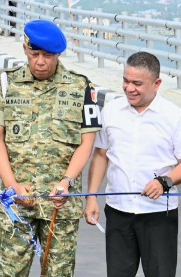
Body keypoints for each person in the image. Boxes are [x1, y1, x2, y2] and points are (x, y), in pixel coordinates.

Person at [0, 19, 102, 277]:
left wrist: (67, 181)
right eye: (34, 54)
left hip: (60, 205)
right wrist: (12, 184)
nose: (40, 62)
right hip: (16, 203)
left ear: (58, 55)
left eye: (48, 56)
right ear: (25, 49)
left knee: (59, 274)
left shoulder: (82, 86)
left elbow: (87, 142)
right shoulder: (5, 83)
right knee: (11, 273)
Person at [85, 52, 181, 277]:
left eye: (137, 83)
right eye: (126, 81)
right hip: (118, 212)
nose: (129, 88)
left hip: (159, 216)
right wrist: (91, 198)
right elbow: (101, 155)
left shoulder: (174, 117)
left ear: (157, 84)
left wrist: (165, 182)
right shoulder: (111, 110)